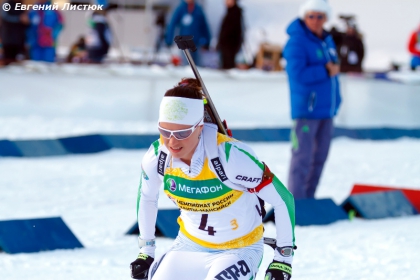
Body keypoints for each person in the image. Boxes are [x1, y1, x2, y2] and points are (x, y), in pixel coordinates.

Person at [129, 78, 296, 280]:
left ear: (200, 127)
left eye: (182, 133)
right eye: (165, 131)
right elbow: (147, 198)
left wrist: (283, 259)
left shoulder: (230, 156)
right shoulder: (157, 157)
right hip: (189, 245)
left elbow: (283, 199)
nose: (172, 142)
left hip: (239, 248)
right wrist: (146, 251)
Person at [282, 0, 341, 200]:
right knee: (302, 158)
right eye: (311, 16)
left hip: (326, 110)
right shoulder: (296, 42)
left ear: (326, 18)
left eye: (320, 16)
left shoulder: (327, 41)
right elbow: (296, 73)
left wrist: (337, 100)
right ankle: (296, 202)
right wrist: (324, 70)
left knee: (319, 159)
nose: (315, 20)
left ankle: (309, 200)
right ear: (304, 16)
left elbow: (334, 75)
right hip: (307, 111)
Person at [165, 0, 211, 67]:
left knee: (197, 66)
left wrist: (207, 41)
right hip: (184, 43)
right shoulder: (180, 8)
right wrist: (169, 40)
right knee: (186, 65)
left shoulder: (198, 9)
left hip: (196, 43)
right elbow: (172, 24)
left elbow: (204, 26)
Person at [0, 0, 29, 65]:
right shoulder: (7, 4)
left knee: (18, 62)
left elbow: (25, 19)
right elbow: (5, 17)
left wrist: (26, 21)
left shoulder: (21, 5)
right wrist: (19, 19)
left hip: (19, 39)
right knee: (8, 59)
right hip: (8, 38)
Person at [217, 0, 243, 70]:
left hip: (230, 47)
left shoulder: (236, 13)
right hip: (225, 47)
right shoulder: (229, 12)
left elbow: (236, 31)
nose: (226, 2)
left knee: (229, 69)